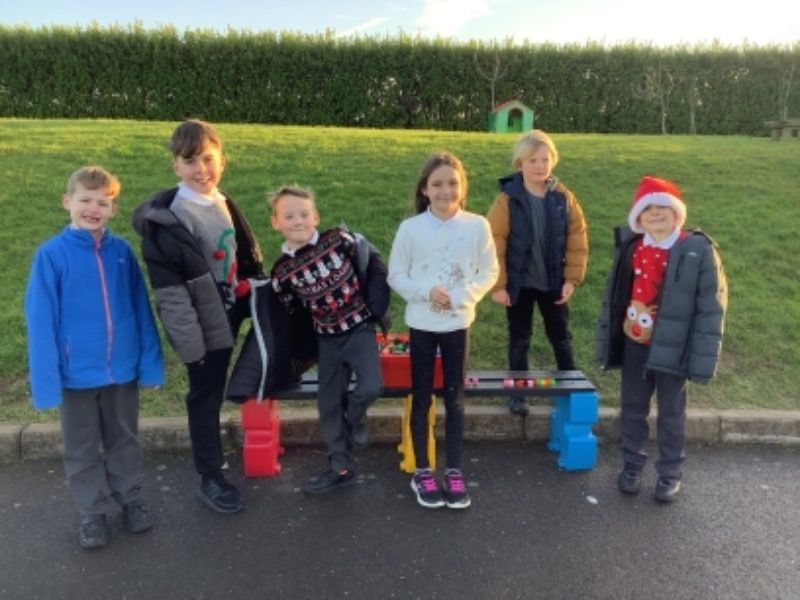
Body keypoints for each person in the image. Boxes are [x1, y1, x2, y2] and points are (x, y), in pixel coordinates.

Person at [24, 166, 164, 549]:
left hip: (122, 371)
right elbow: (40, 321)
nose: (93, 209)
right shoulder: (52, 256)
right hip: (76, 376)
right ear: (67, 202)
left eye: (103, 203)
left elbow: (140, 310)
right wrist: (47, 383)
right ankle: (92, 511)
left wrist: (149, 364)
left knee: (124, 440)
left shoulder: (122, 254)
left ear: (113, 209)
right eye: (85, 200)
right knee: (81, 447)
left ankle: (131, 498)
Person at [132, 119, 264, 514]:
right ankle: (210, 476)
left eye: (207, 159)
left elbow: (238, 253)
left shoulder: (221, 201)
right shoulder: (170, 220)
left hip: (233, 306)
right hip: (205, 325)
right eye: (190, 161)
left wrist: (255, 285)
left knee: (237, 378)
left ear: (222, 160)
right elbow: (171, 296)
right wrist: (194, 349)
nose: (201, 169)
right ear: (175, 166)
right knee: (205, 396)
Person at [596, 175, 727, 503]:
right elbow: (614, 295)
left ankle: (670, 473)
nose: (655, 213)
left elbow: (711, 306)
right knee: (632, 408)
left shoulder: (697, 249)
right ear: (638, 217)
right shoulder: (631, 246)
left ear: (677, 213)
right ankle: (631, 465)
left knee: (671, 413)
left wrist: (701, 354)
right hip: (634, 343)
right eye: (648, 209)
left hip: (674, 348)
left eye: (662, 207)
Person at [388, 152, 498, 509]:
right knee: (422, 397)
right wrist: (425, 292)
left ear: (463, 187)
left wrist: (463, 296)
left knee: (454, 399)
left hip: (457, 324)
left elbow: (489, 272)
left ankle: (453, 469)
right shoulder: (411, 228)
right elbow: (396, 275)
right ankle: (422, 470)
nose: (445, 190)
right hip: (421, 324)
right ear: (425, 189)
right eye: (437, 184)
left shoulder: (477, 226)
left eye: (452, 183)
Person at [268, 185, 387, 494]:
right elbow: (289, 311)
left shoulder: (338, 240)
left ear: (316, 217)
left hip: (359, 329)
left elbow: (372, 261)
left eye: (304, 214)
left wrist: (377, 306)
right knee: (328, 402)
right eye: (289, 216)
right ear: (275, 222)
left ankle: (354, 418)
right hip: (327, 340)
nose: (298, 221)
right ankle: (340, 467)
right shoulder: (282, 272)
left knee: (371, 386)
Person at [486, 130, 588, 416]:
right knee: (519, 337)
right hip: (519, 284)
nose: (539, 166)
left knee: (561, 335)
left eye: (545, 160)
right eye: (532, 160)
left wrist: (571, 280)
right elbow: (493, 242)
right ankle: (518, 394)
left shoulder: (563, 198)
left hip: (553, 282)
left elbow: (577, 238)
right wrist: (499, 285)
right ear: (520, 164)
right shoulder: (507, 200)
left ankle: (571, 387)